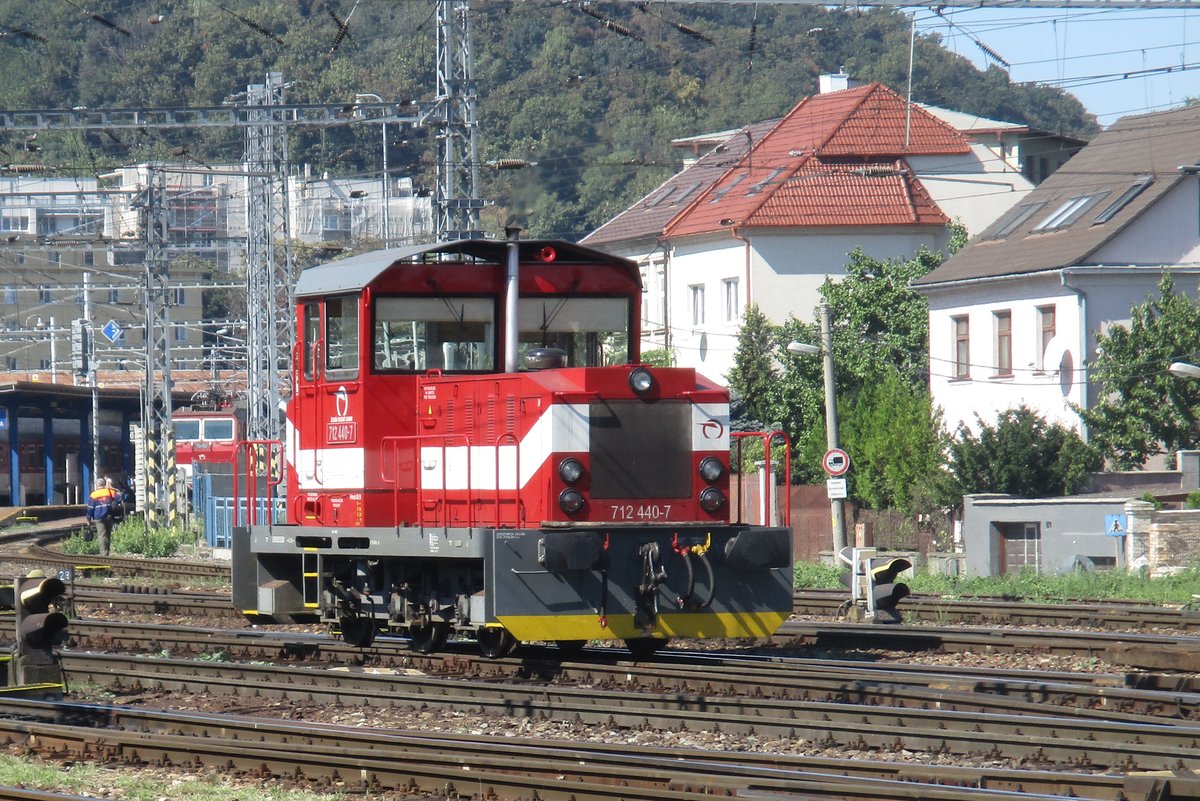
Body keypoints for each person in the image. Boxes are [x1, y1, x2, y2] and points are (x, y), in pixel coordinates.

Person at [85, 478, 118, 556]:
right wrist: (111, 487)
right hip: (109, 516)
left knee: (101, 534)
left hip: (98, 517)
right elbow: (119, 498)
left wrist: (88, 519)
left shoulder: (94, 494)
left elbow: (90, 508)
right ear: (104, 484)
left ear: (97, 484)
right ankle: (107, 551)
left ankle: (103, 553)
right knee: (108, 534)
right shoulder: (109, 491)